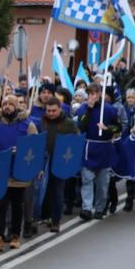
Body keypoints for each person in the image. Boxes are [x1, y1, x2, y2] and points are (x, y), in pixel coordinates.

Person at [76, 83, 122, 220]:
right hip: (89, 148)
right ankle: (86, 208)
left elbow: (118, 127)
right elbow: (82, 126)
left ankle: (100, 208)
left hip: (104, 149)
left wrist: (107, 128)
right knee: (87, 180)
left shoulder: (109, 109)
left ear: (100, 94)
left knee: (102, 184)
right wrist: (89, 110)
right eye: (90, 93)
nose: (92, 96)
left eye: (95, 93)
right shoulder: (83, 109)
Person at [37, 98, 78, 233]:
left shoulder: (69, 124)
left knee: (57, 191)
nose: (51, 113)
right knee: (42, 190)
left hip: (60, 161)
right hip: (43, 161)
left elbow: (76, 141)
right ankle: (43, 216)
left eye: (54, 110)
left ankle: (56, 220)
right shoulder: (41, 122)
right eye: (48, 111)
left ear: (60, 109)